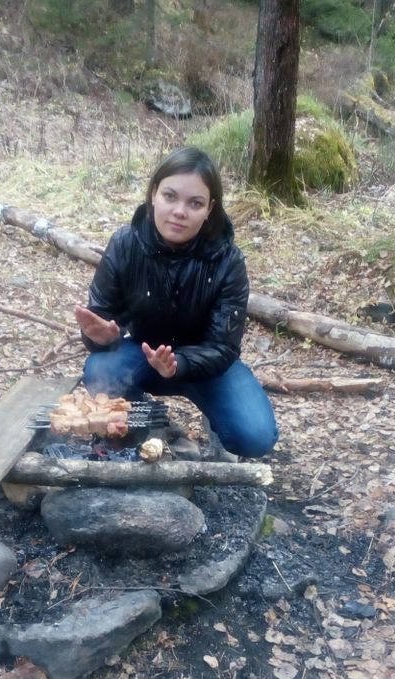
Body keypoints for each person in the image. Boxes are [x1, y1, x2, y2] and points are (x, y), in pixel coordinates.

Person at [74, 146, 278, 459]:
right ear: (154, 194)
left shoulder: (228, 261)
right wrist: (100, 337)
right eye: (170, 196)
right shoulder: (126, 244)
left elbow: (224, 347)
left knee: (255, 437)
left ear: (209, 209)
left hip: (207, 365)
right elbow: (101, 317)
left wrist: (179, 364)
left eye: (195, 203)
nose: (179, 211)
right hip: (144, 353)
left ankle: (217, 424)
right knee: (100, 368)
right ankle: (145, 426)